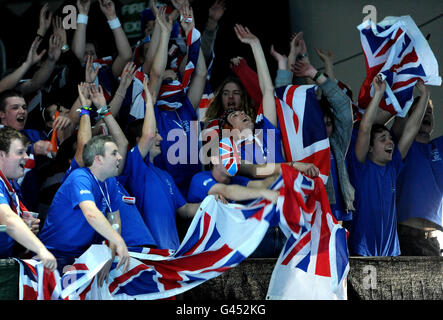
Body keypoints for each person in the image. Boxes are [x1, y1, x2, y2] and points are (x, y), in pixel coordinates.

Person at [347, 76, 429, 256]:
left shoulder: (393, 167)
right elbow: (365, 128)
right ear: (369, 148)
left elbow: (411, 130)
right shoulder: (361, 167)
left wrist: (424, 96)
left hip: (391, 253)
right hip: (362, 252)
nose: (390, 141)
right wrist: (378, 94)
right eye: (382, 139)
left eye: (390, 138)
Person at [123, 77, 201, 250]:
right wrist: (150, 103)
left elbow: (185, 209)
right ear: (139, 139)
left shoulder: (164, 174)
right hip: (149, 255)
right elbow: (148, 135)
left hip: (171, 255)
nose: (160, 137)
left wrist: (211, 204)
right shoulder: (134, 166)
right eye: (156, 133)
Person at [38, 134, 131, 276]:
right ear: (98, 159)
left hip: (82, 255)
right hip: (54, 254)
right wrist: (118, 241)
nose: (120, 157)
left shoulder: (110, 182)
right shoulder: (79, 177)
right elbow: (91, 213)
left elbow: (114, 221)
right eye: (114, 153)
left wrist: (109, 255)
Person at [291, 53, 355, 224]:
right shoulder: (302, 146)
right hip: (311, 217)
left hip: (338, 217)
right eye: (320, 124)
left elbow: (343, 106)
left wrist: (315, 74)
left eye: (328, 123)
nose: (325, 128)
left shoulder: (337, 144)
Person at [0, 126, 57, 271]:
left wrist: (25, 227)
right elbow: (8, 219)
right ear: (2, 155)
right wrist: (41, 249)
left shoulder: (12, 184)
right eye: (20, 152)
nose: (26, 156)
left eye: (26, 151)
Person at [394, 96, 442, 256]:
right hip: (404, 238)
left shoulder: (438, 146)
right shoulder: (401, 145)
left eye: (430, 112)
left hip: (432, 241)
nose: (427, 114)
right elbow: (400, 120)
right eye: (422, 112)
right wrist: (423, 91)